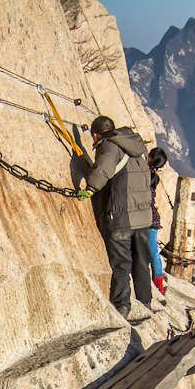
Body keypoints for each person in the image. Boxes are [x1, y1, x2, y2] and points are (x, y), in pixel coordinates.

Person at [81, 115, 153, 318]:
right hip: (143, 218)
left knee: (121, 263)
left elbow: (103, 169)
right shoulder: (137, 146)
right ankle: (145, 302)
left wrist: (90, 188)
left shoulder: (109, 147)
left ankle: (122, 305)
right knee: (141, 261)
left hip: (122, 216)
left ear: (95, 134)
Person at [147, 147, 168, 296]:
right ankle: (158, 282)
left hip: (147, 218)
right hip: (153, 218)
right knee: (154, 253)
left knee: (153, 252)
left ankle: (158, 285)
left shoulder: (144, 173)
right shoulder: (154, 176)